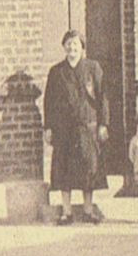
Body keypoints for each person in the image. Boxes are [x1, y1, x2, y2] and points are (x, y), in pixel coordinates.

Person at [43, 30, 109, 224]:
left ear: (82, 47)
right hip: (63, 129)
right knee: (63, 170)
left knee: (88, 169)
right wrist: (48, 127)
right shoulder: (56, 72)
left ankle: (88, 211)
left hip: (87, 127)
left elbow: (103, 97)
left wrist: (103, 124)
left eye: (76, 44)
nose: (72, 48)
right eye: (69, 44)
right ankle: (66, 212)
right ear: (64, 47)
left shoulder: (92, 68)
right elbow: (49, 101)